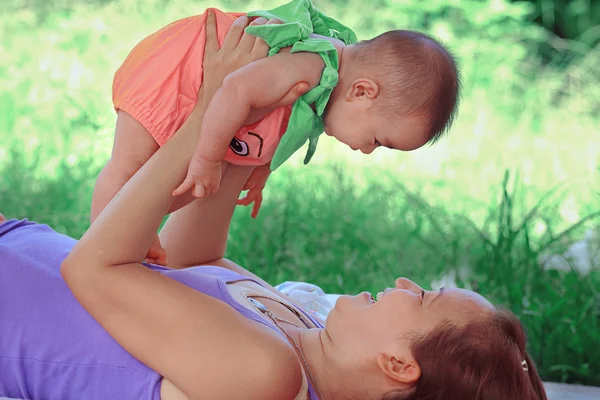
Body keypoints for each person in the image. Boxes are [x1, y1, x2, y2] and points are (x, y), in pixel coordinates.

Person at [0, 16, 546, 400]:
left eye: (424, 297)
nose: (405, 282)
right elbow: (190, 258)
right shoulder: (304, 328)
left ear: (400, 366)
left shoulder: (266, 377)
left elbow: (92, 266)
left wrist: (209, 109)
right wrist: (250, 125)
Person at [92, 0, 460, 263]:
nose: (367, 151)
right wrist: (205, 157)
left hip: (204, 84)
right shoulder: (313, 65)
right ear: (361, 91)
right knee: (130, 165)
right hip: (181, 69)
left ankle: (132, 236)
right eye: (378, 141)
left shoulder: (327, 88)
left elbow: (283, 121)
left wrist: (259, 171)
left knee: (183, 183)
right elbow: (236, 88)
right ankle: (97, 252)